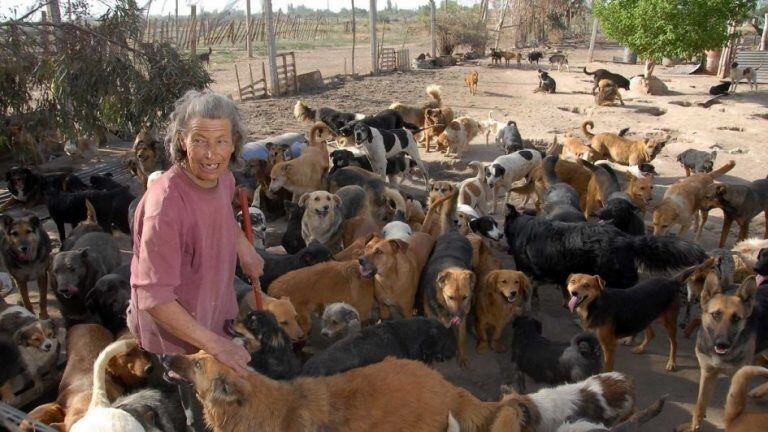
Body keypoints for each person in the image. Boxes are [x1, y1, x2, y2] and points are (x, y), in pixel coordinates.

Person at [127, 90, 264, 431]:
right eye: (199, 141)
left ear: (235, 143)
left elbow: (221, 214)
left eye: (221, 141)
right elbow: (154, 299)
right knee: (201, 414)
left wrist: (243, 246)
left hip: (211, 307)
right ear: (180, 142)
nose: (211, 154)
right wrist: (218, 346)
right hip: (179, 332)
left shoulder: (223, 178)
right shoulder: (166, 206)